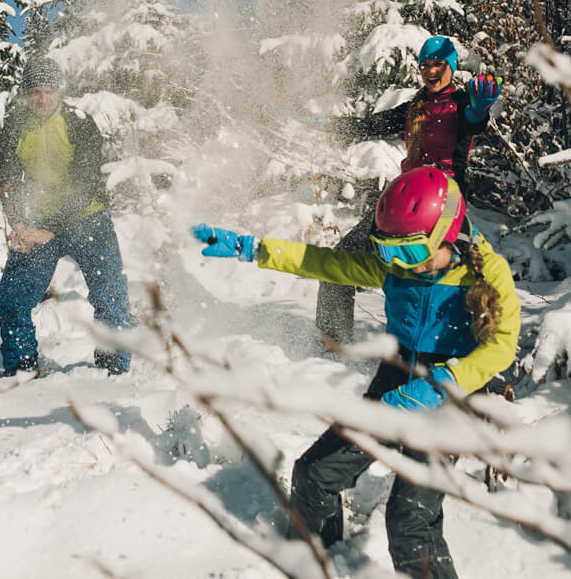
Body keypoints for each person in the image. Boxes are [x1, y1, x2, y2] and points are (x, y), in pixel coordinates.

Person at [192, 166, 520, 579]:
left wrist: (444, 384)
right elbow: (323, 263)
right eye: (388, 251)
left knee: (409, 521)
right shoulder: (397, 268)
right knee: (314, 474)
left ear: (447, 234)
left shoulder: (487, 274)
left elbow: (502, 345)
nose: (400, 264)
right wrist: (253, 249)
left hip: (453, 393)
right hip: (397, 378)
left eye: (412, 253)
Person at [316, 35, 503, 344]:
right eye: (425, 66)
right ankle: (332, 345)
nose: (431, 72)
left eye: (438, 65)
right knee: (340, 262)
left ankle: (466, 360)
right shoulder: (414, 107)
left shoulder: (461, 103)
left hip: (444, 208)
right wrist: (326, 123)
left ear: (451, 67)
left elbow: (472, 123)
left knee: (458, 281)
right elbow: (368, 126)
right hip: (405, 205)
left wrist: (478, 111)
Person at [0, 57, 133, 376]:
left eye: (48, 91)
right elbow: (10, 182)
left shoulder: (79, 122)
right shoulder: (14, 127)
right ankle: (21, 370)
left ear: (59, 91)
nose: (42, 99)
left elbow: (85, 182)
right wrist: (19, 222)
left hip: (88, 219)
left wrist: (54, 230)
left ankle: (114, 371)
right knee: (12, 298)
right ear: (25, 94)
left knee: (110, 296)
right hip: (37, 221)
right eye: (34, 93)